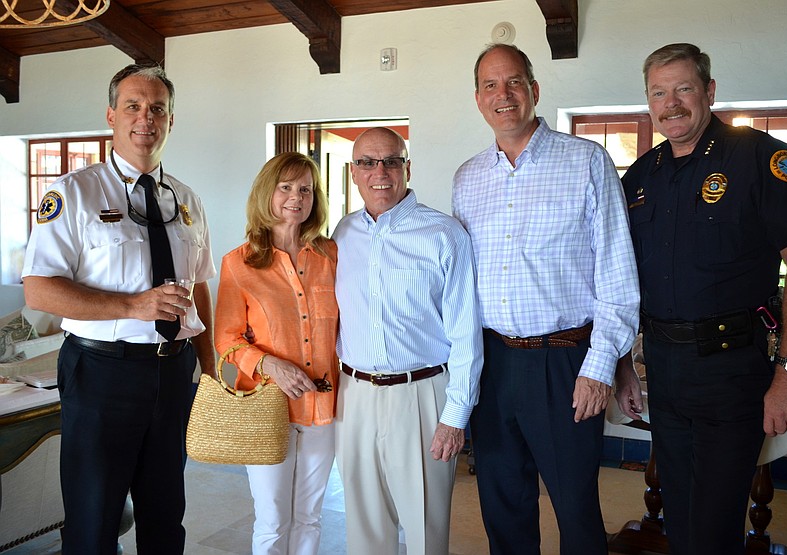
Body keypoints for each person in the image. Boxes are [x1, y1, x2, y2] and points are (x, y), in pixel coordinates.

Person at [614, 43, 787, 555]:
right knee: (681, 514)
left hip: (731, 370)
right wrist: (624, 363)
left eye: (684, 88)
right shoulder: (641, 176)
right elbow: (622, 278)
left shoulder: (758, 156)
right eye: (658, 93)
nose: (671, 103)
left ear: (709, 92)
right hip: (665, 370)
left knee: (713, 523)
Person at [452, 43, 640, 555]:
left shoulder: (586, 162)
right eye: (490, 85)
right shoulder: (467, 179)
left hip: (565, 362)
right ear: (477, 99)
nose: (503, 94)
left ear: (534, 90)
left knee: (576, 511)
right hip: (492, 364)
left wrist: (602, 366)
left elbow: (618, 276)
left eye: (514, 82)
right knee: (502, 506)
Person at [21, 63, 216, 554]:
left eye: (158, 109)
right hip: (102, 373)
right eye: (132, 106)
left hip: (174, 375)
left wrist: (208, 367)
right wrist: (134, 305)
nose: (144, 119)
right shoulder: (72, 193)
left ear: (172, 120)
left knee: (165, 517)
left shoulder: (188, 200)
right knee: (94, 520)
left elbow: (200, 288)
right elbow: (39, 291)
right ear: (111, 115)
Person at [333, 127, 483, 555]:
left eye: (391, 161)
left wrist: (455, 417)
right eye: (367, 162)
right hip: (354, 395)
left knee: (425, 525)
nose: (379, 172)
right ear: (353, 172)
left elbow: (465, 335)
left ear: (406, 168)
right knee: (364, 526)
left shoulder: (444, 234)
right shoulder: (342, 235)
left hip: (422, 395)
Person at [214, 152, 338, 555]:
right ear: (267, 192)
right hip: (267, 407)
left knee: (310, 515)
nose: (295, 197)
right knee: (271, 518)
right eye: (285, 187)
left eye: (305, 188)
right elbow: (226, 338)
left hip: (322, 406)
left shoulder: (331, 256)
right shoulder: (238, 264)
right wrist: (268, 363)